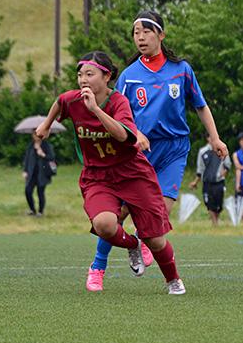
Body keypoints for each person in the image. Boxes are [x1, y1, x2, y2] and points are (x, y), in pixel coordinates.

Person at [85, 11, 228, 291]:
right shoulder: (129, 75)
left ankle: (140, 241)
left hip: (173, 150)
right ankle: (97, 267)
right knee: (121, 211)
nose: (140, 37)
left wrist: (215, 138)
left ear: (161, 35)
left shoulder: (182, 69)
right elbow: (118, 114)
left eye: (146, 31)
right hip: (137, 151)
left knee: (159, 211)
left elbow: (200, 105)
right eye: (136, 32)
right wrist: (135, 133)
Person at [36, 50, 185, 295]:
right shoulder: (73, 100)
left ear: (107, 77)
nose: (83, 79)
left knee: (156, 239)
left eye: (90, 74)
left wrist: (95, 110)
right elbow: (60, 102)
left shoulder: (118, 102)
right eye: (80, 74)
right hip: (97, 176)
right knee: (104, 224)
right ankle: (133, 244)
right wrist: (46, 124)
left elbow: (123, 136)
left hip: (132, 173)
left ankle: (173, 280)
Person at [189, 132, 231, 225]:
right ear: (208, 138)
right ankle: (215, 223)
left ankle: (216, 220)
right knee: (209, 204)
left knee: (219, 204)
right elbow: (200, 169)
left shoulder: (222, 149)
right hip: (207, 182)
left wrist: (223, 173)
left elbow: (227, 165)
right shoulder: (203, 151)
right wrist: (195, 182)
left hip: (219, 182)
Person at [22, 133, 55, 217]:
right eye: (33, 134)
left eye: (36, 134)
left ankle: (40, 211)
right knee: (28, 191)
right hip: (32, 173)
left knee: (40, 192)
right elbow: (27, 158)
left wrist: (42, 153)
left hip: (42, 173)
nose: (35, 136)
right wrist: (25, 171)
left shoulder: (46, 145)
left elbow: (51, 157)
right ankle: (32, 210)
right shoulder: (30, 145)